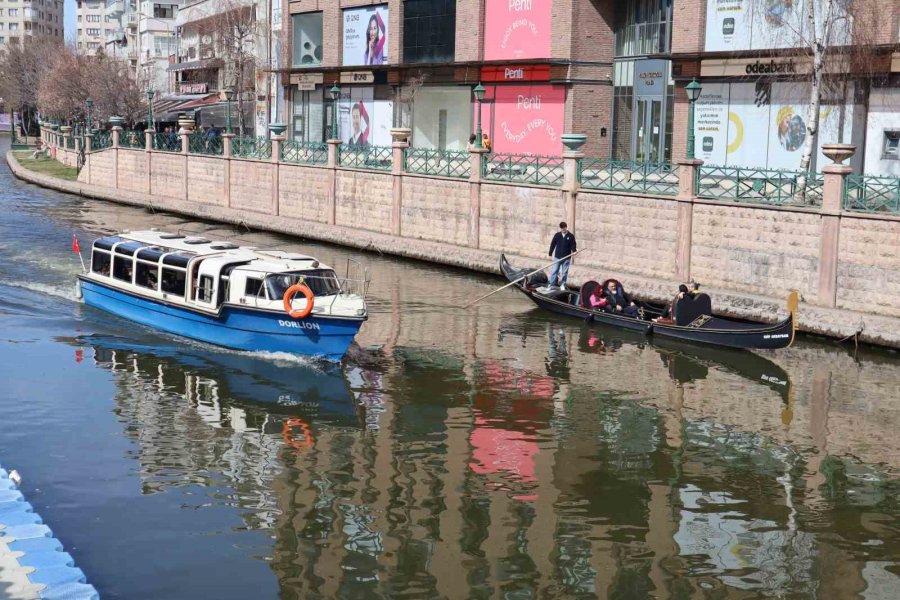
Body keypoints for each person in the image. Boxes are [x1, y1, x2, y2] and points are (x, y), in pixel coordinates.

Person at [548, 221, 576, 289]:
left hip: (566, 258)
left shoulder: (571, 236)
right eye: (561, 229)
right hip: (557, 257)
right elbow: (553, 244)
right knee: (554, 271)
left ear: (566, 227)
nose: (563, 230)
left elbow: (573, 244)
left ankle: (562, 284)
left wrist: (574, 250)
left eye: (564, 228)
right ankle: (552, 284)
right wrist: (550, 253)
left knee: (564, 272)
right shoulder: (557, 235)